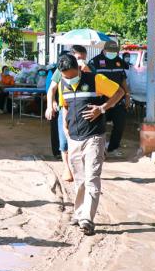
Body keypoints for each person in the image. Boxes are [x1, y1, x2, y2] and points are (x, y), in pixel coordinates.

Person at [56, 52, 126, 236]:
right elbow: (65, 106)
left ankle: (87, 219)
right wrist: (65, 125)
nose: (70, 79)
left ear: (78, 69)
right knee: (79, 180)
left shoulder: (96, 79)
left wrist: (102, 108)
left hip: (94, 137)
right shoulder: (63, 84)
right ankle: (79, 214)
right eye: (66, 77)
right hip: (74, 139)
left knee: (92, 178)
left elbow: (120, 92)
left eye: (72, 76)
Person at [45, 45, 88, 182]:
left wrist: (86, 70)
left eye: (83, 58)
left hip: (83, 109)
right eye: (78, 57)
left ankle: (81, 168)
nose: (81, 60)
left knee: (82, 140)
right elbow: (52, 89)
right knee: (64, 140)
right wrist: (50, 105)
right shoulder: (61, 69)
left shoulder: (88, 69)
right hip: (65, 108)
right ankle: (67, 168)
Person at [89, 41, 130, 155]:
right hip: (101, 100)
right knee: (99, 126)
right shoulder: (94, 62)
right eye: (111, 51)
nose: (113, 54)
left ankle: (113, 148)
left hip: (118, 99)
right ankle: (99, 149)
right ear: (104, 50)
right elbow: (91, 80)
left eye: (115, 52)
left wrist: (127, 95)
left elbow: (123, 79)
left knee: (120, 124)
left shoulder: (119, 61)